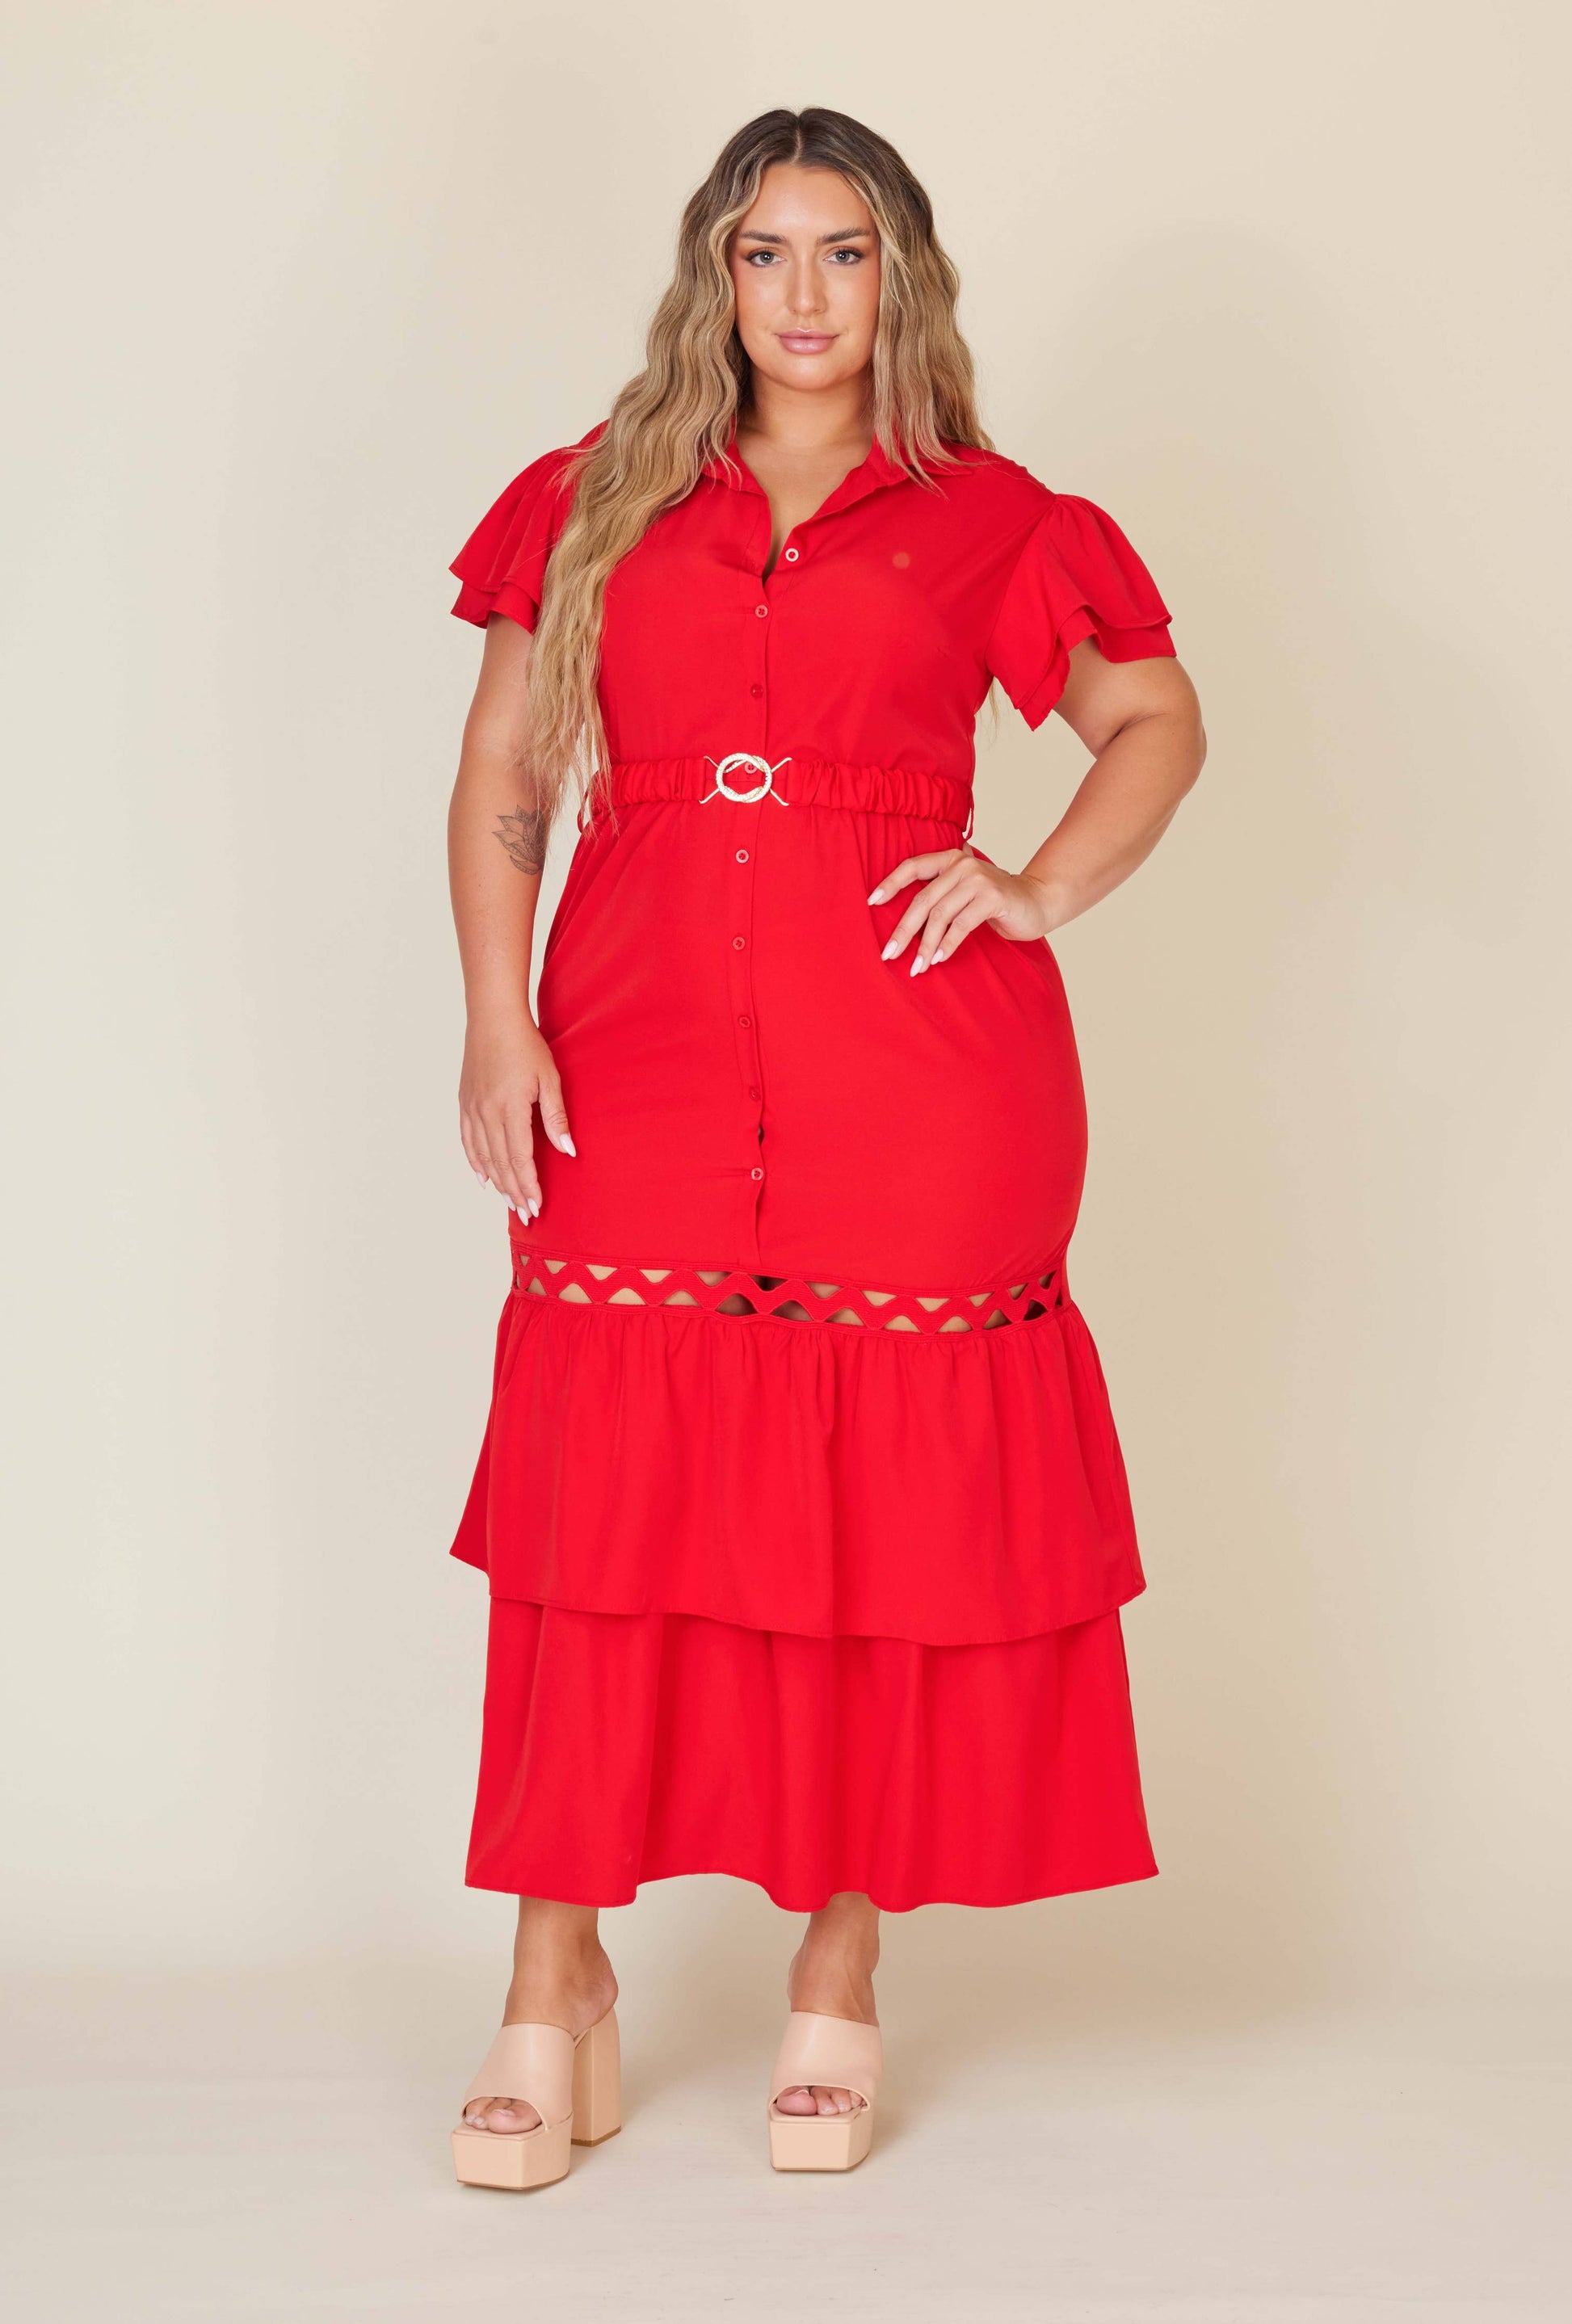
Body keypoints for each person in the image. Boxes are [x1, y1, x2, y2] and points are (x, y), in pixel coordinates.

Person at [442, 105, 1205, 2189]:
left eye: (844, 254)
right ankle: (555, 1981)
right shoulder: (596, 502)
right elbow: (512, 757)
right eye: (765, 253)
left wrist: (1033, 887)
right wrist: (501, 1013)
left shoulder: (993, 519)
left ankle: (838, 1978)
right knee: (603, 1522)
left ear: (903, 278)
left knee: (881, 1529)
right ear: (714, 271)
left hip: (923, 1088)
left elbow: (1158, 720)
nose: (802, 295)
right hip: (637, 1062)